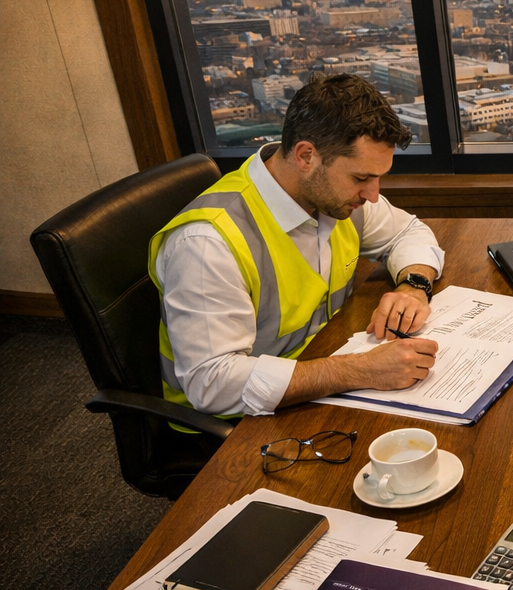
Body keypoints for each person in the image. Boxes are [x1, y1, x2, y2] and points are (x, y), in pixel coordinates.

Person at [150, 73, 444, 420]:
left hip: (319, 380)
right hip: (237, 428)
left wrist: (414, 286)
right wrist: (359, 370)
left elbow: (408, 231)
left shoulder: (333, 198)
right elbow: (211, 384)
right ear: (306, 156)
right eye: (361, 178)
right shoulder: (206, 244)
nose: (373, 194)